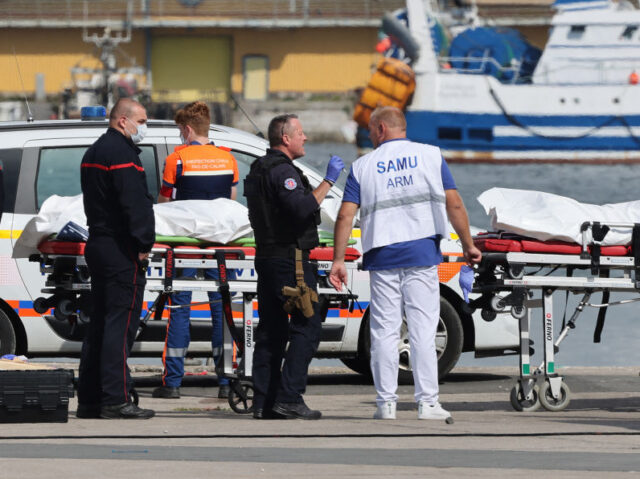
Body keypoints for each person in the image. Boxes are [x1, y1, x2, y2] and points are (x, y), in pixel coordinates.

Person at [329, 106, 482, 421]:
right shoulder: (430, 156)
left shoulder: (362, 166)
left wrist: (339, 259)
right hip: (421, 253)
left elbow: (345, 215)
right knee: (423, 329)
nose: (370, 137)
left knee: (384, 330)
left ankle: (386, 404)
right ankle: (427, 404)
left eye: (371, 131)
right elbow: (454, 202)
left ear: (382, 128)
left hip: (382, 256)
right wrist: (468, 244)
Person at [245, 114, 344, 420]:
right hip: (291, 261)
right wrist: (329, 181)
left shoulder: (258, 168)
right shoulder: (282, 172)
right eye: (300, 133)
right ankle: (289, 396)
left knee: (272, 330)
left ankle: (264, 401)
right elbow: (301, 208)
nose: (306, 138)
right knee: (308, 326)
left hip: (268, 257)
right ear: (285, 138)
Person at [152, 101, 239, 400]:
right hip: (221, 246)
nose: (180, 135)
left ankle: (172, 383)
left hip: (185, 245)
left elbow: (164, 207)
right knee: (222, 309)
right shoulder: (228, 159)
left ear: (187, 129)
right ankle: (227, 381)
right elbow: (230, 202)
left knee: (179, 308)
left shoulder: (176, 160)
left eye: (179, 130)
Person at [77, 98, 156, 419]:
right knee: (119, 326)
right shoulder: (122, 155)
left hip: (98, 243)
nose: (144, 127)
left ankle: (91, 399)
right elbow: (134, 204)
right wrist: (144, 242)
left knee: (100, 324)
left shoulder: (94, 152)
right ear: (123, 121)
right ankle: (115, 399)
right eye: (142, 120)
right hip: (120, 249)